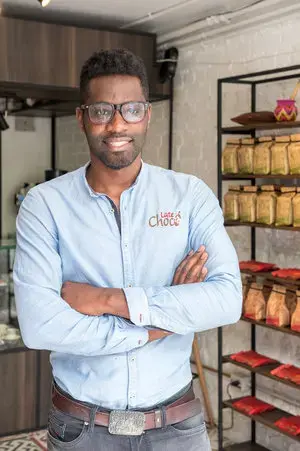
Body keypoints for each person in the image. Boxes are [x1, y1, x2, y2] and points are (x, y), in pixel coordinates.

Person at [13, 49, 242, 451]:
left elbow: (226, 300)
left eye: (131, 109)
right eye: (102, 110)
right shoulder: (44, 205)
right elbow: (40, 326)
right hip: (82, 430)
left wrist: (108, 300)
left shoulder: (189, 196)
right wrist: (165, 318)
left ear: (147, 115)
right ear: (82, 117)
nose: (117, 124)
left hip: (176, 427)